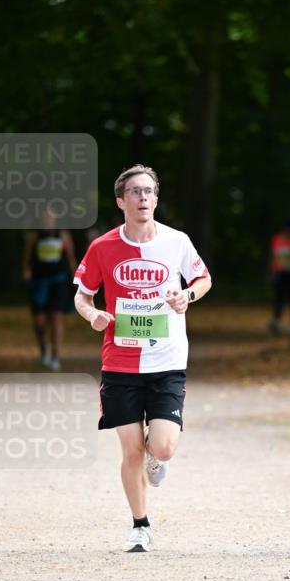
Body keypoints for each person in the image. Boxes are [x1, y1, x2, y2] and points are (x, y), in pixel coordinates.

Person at [73, 164, 212, 552]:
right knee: (130, 449)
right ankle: (140, 525)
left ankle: (157, 458)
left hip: (167, 360)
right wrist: (93, 314)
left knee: (163, 447)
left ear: (156, 199)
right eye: (134, 192)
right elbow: (82, 295)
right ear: (121, 201)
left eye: (149, 191)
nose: (143, 198)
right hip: (119, 362)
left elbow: (203, 278)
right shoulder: (102, 247)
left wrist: (189, 296)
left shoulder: (177, 241)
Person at [22, 209, 76, 370]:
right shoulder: (34, 236)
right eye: (45, 218)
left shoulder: (63, 235)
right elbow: (26, 258)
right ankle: (43, 349)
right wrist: (26, 270)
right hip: (39, 281)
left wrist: (76, 277)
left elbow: (71, 258)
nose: (48, 221)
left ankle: (55, 355)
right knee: (39, 321)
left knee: (56, 317)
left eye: (50, 218)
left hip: (58, 280)